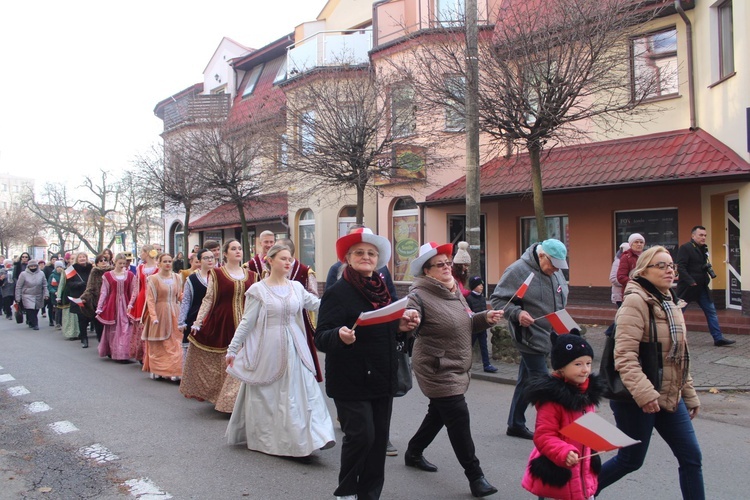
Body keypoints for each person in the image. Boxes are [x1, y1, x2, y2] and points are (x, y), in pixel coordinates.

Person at [316, 228, 420, 500]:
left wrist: (403, 326)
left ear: (378, 260)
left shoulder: (384, 290)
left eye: (371, 253)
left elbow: (388, 328)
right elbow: (321, 336)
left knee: (377, 442)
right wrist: (339, 335)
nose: (366, 257)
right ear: (348, 258)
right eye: (359, 253)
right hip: (350, 377)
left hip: (382, 375)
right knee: (361, 435)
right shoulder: (337, 292)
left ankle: (370, 494)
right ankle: (346, 491)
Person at [597, 246, 704, 499]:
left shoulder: (671, 302)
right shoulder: (635, 301)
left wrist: (689, 394)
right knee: (630, 460)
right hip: (636, 398)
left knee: (691, 458)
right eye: (662, 266)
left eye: (671, 266)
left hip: (668, 394)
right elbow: (623, 356)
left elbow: (678, 357)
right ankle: (576, 491)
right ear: (644, 270)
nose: (670, 270)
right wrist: (645, 394)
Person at [404, 243, 502, 498]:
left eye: (448, 263)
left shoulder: (453, 290)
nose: (447, 267)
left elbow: (466, 321)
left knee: (438, 414)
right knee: (457, 416)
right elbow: (410, 313)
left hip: (457, 364)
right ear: (427, 271)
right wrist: (409, 318)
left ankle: (413, 452)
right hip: (436, 367)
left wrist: (485, 318)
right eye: (441, 264)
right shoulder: (419, 293)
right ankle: (475, 476)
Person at [225, 243, 335, 460]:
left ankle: (313, 436)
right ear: (270, 260)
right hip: (268, 348)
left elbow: (318, 304)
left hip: (296, 346)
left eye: (290, 259)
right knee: (271, 395)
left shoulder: (296, 287)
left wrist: (342, 301)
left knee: (303, 392)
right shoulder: (258, 290)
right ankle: (274, 439)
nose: (288, 262)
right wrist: (233, 348)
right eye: (283, 258)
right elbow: (247, 322)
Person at [490, 239, 569, 440]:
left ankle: (515, 424)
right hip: (528, 336)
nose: (555, 270)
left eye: (559, 266)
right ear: (542, 255)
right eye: (552, 265)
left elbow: (559, 296)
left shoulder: (554, 268)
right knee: (543, 383)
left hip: (550, 335)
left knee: (525, 381)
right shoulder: (517, 270)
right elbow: (498, 300)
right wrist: (517, 314)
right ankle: (553, 430)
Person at [521, 333, 602, 500]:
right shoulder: (552, 400)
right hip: (559, 473)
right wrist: (564, 452)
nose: (585, 369)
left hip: (583, 473)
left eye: (588, 363)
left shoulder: (587, 395)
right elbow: (544, 436)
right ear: (561, 367)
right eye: (578, 364)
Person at [182, 239, 258, 412]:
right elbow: (208, 298)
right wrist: (198, 321)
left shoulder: (252, 275)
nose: (238, 251)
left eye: (240, 248)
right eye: (233, 249)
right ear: (225, 253)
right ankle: (222, 398)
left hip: (245, 323)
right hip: (223, 321)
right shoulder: (217, 274)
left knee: (242, 360)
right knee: (223, 363)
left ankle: (236, 402)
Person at [676, 225, 735, 347]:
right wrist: (690, 280)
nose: (703, 238)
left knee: (711, 311)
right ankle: (674, 338)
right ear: (693, 236)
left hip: (702, 287)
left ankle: (718, 338)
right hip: (688, 288)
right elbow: (681, 267)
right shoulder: (686, 248)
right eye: (701, 235)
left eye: (705, 235)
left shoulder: (704, 249)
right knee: (678, 313)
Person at [141, 253, 184, 381]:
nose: (167, 264)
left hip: (175, 311)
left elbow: (179, 296)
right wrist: (153, 316)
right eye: (164, 261)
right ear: (159, 263)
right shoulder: (153, 279)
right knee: (161, 343)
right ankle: (158, 369)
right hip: (160, 311)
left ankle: (175, 370)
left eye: (170, 261)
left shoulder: (177, 277)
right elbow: (150, 299)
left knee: (176, 343)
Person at [96, 253, 135, 361]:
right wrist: (100, 306)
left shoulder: (130, 275)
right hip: (112, 303)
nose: (122, 265)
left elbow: (132, 291)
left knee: (126, 328)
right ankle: (113, 350)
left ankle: (124, 353)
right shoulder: (108, 275)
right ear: (115, 262)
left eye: (124, 263)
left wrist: (132, 304)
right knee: (113, 328)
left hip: (125, 303)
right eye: (120, 263)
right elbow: (104, 292)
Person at [178, 249, 213, 357]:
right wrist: (181, 321)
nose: (210, 260)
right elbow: (186, 300)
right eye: (206, 258)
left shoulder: (220, 277)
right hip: (195, 317)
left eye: (212, 257)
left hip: (214, 318)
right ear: (199, 260)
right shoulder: (192, 279)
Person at [128, 245, 159, 361]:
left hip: (155, 299)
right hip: (141, 299)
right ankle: (142, 355)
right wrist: (131, 303)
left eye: (142, 252)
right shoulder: (140, 267)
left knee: (152, 326)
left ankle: (151, 355)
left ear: (147, 253)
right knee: (141, 327)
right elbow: (136, 287)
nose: (140, 254)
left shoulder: (158, 268)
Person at [59, 252, 93, 347]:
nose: (82, 259)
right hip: (78, 296)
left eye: (84, 257)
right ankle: (84, 338)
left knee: (90, 317)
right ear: (77, 259)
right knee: (81, 318)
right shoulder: (71, 269)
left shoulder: (92, 268)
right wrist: (78, 284)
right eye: (80, 257)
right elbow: (69, 284)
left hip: (90, 296)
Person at [465, 276, 498, 373]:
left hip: (483, 326)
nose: (481, 286)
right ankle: (465, 364)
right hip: (473, 327)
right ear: (474, 286)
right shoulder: (469, 299)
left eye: (482, 284)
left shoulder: (482, 298)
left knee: (484, 346)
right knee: (468, 346)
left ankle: (487, 364)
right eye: (479, 285)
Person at [79, 254, 112, 342]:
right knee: (99, 326)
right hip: (98, 302)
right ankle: (102, 343)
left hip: (110, 302)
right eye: (101, 261)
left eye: (105, 260)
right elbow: (90, 287)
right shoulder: (95, 272)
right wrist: (84, 297)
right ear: (97, 263)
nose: (103, 262)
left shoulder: (112, 271)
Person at [604, 242, 630, 337]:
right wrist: (627, 282)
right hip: (619, 295)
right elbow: (613, 278)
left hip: (628, 294)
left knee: (622, 316)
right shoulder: (618, 262)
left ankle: (612, 332)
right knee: (622, 316)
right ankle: (611, 332)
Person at [14, 259, 49, 331]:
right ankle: (35, 324)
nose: (33, 267)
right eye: (31, 266)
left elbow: (45, 285)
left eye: (34, 266)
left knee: (36, 310)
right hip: (27, 295)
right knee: (30, 309)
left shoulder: (41, 273)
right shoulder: (23, 274)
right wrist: (18, 297)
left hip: (38, 294)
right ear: (28, 267)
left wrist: (46, 293)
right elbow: (19, 286)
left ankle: (30, 321)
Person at [47, 261, 64, 328]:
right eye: (58, 267)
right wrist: (54, 292)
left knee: (62, 309)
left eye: (60, 267)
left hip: (63, 294)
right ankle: (57, 322)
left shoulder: (64, 275)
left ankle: (62, 322)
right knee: (57, 309)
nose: (59, 268)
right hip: (55, 295)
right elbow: (49, 286)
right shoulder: (52, 276)